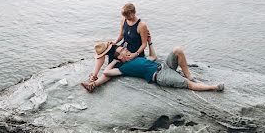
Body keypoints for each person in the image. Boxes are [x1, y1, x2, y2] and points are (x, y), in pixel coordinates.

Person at [81, 45, 224, 93]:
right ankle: (213, 87)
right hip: (160, 76)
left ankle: (189, 75)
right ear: (120, 57)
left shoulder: (137, 58)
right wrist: (114, 61)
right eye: (123, 50)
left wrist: (150, 43)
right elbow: (106, 72)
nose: (126, 49)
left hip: (165, 66)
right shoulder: (124, 68)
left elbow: (153, 56)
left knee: (178, 50)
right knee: (189, 85)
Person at [87, 3, 155, 83]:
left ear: (133, 13)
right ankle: (94, 75)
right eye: (125, 16)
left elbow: (144, 44)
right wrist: (115, 42)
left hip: (133, 52)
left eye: (127, 16)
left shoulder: (141, 25)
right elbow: (121, 35)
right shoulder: (124, 20)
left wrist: (135, 54)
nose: (126, 18)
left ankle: (95, 83)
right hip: (122, 48)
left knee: (114, 67)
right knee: (103, 50)